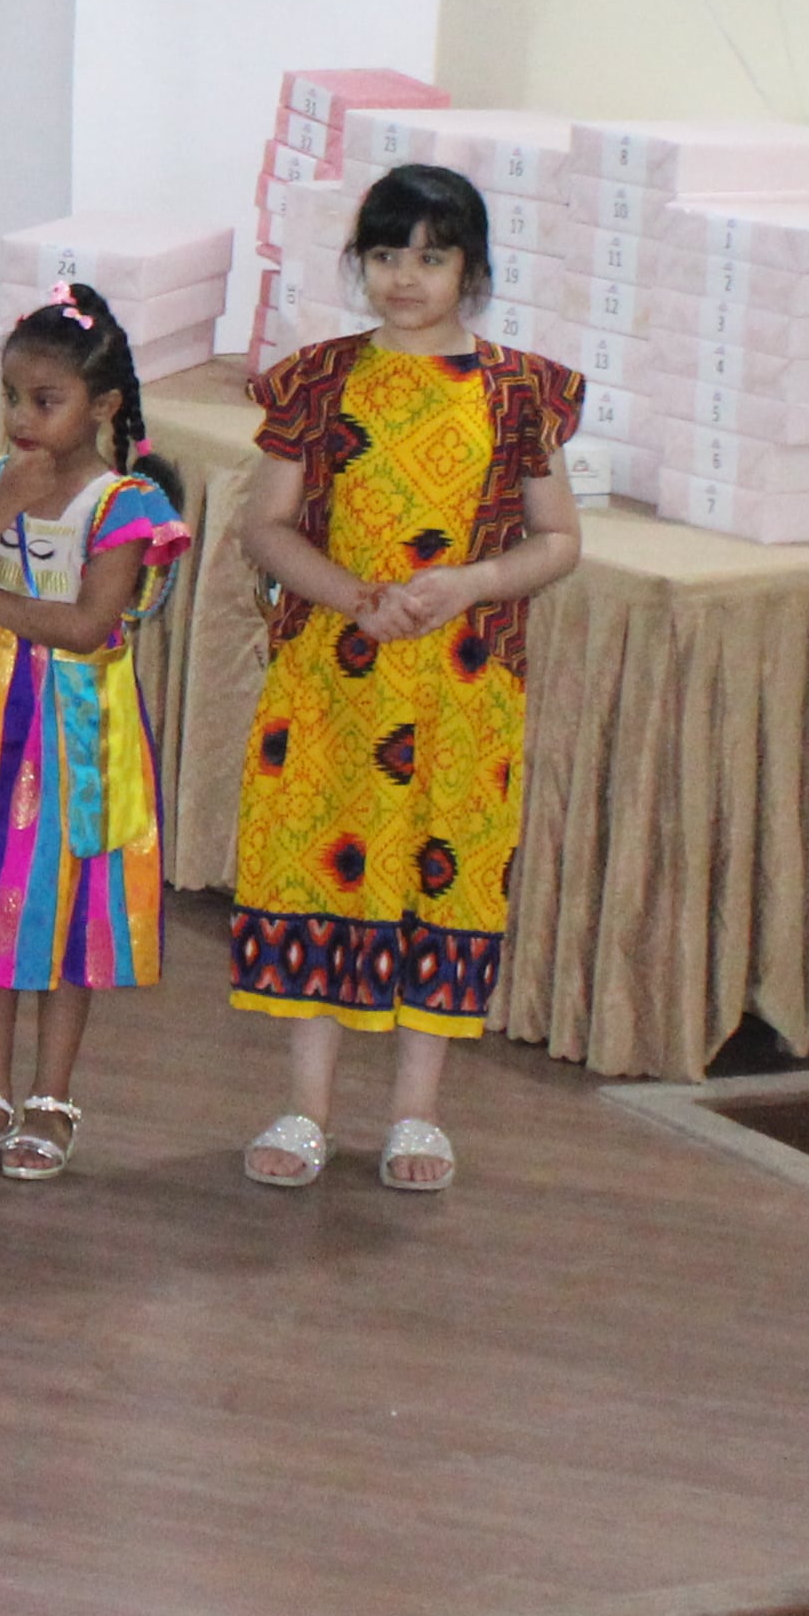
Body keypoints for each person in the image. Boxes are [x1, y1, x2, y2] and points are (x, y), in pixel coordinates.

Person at [229, 165, 584, 1194]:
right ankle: (305, 1108)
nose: (406, 277)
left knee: (446, 873)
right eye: (386, 255)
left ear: (472, 268)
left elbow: (559, 539)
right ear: (360, 263)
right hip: (330, 682)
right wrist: (352, 596)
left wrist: (471, 582)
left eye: (432, 257)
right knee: (317, 869)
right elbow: (266, 525)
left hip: (463, 689)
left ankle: (417, 1115)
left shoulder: (521, 390)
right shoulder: (316, 379)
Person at [0, 284, 188, 1180]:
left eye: (46, 400)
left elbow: (87, 626)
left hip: (76, 726)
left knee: (67, 904)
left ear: (102, 406)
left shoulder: (123, 503)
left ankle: (52, 1098)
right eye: (12, 397)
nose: (22, 418)